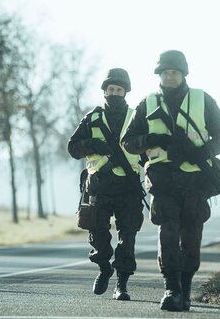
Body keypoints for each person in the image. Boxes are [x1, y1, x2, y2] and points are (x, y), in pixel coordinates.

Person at [122, 50, 220, 311]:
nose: (170, 76)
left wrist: (203, 151)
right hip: (163, 181)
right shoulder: (147, 103)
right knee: (168, 233)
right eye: (165, 72)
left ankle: (185, 286)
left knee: (192, 234)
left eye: (174, 72)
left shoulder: (202, 99)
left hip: (195, 180)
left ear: (183, 74)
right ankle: (172, 288)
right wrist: (151, 140)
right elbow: (128, 141)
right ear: (159, 75)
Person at [67, 68, 145, 301]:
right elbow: (73, 148)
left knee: (127, 237)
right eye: (110, 89)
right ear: (104, 91)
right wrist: (92, 144)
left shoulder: (136, 117)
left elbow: (147, 153)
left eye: (118, 90)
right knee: (98, 235)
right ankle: (103, 267)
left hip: (129, 188)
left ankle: (121, 284)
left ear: (125, 92)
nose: (114, 93)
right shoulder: (92, 118)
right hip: (99, 186)